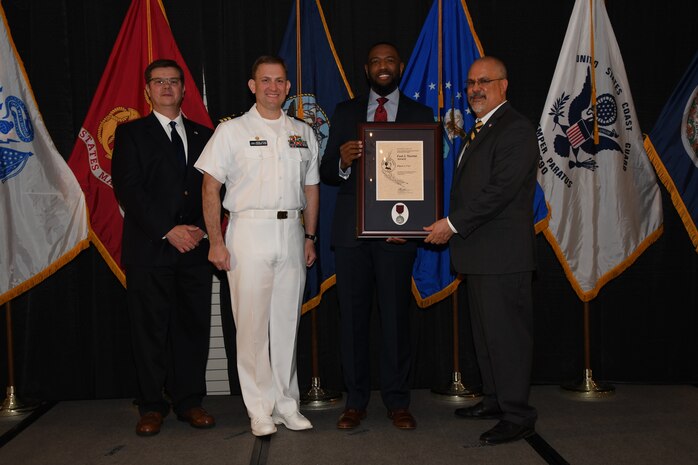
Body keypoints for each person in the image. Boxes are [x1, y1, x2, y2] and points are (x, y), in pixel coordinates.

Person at [195, 56, 319, 437]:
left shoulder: (303, 131)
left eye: (280, 81)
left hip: (291, 232)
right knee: (250, 325)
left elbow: (311, 187)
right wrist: (216, 241)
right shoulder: (231, 131)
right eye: (265, 80)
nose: (273, 87)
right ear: (252, 85)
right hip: (248, 231)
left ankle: (286, 403)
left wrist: (310, 236)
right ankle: (260, 409)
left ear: (287, 86)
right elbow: (210, 187)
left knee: (286, 324)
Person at [424, 56, 538, 445]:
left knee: (506, 339)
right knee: (488, 337)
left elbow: (500, 192)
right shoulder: (481, 129)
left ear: (503, 85)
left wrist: (451, 225)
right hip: (480, 256)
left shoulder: (516, 129)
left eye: (484, 81)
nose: (475, 88)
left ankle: (518, 414)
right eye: (471, 82)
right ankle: (495, 400)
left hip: (503, 257)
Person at [320, 42, 433, 430]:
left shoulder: (420, 113)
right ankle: (355, 402)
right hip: (352, 235)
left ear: (399, 66)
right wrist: (342, 161)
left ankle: (398, 401)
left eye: (389, 60)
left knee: (395, 319)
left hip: (397, 237)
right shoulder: (345, 111)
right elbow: (326, 173)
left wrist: (413, 225)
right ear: (366, 69)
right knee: (352, 320)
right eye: (375, 62)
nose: (382, 67)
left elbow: (425, 178)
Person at [112, 59, 216, 436]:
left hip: (196, 249)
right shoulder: (131, 134)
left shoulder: (207, 135)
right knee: (149, 330)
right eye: (159, 82)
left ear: (185, 89)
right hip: (150, 249)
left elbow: (217, 190)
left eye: (173, 82)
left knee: (192, 329)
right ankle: (152, 406)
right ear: (148, 90)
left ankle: (190, 402)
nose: (167, 88)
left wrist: (203, 231)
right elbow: (129, 190)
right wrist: (168, 230)